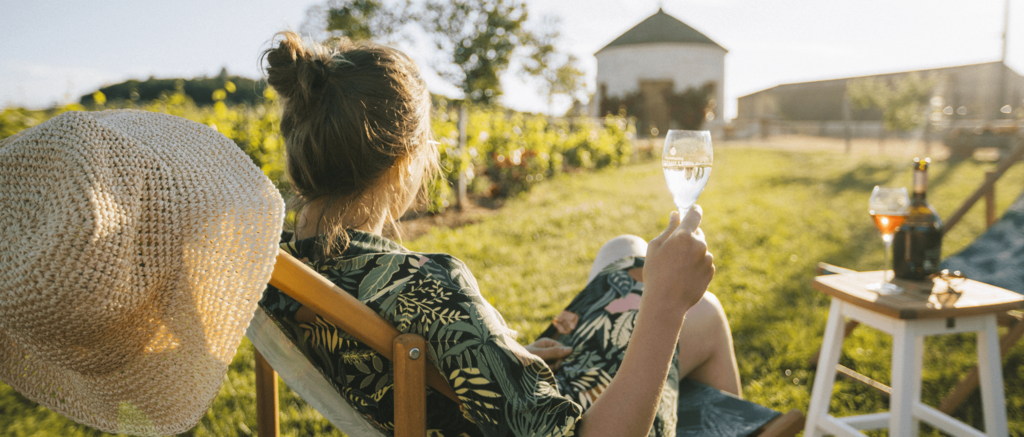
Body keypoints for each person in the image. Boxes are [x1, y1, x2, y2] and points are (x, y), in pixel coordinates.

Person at [256, 32, 739, 437]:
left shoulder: (277, 266)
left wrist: (506, 360)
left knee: (626, 251)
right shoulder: (431, 288)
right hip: (593, 421)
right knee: (703, 311)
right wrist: (666, 306)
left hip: (492, 407)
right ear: (405, 161)